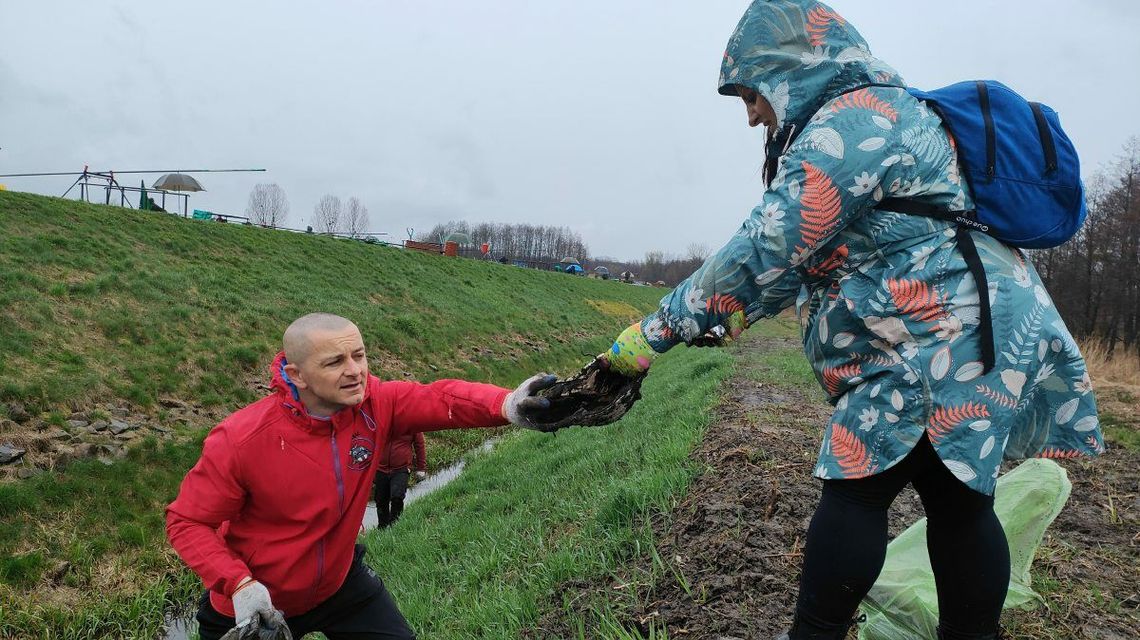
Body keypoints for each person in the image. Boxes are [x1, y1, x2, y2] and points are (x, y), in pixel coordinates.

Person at [596, 2, 1103, 639]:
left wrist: (645, 337)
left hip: (934, 339)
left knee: (858, 484)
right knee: (957, 499)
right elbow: (808, 260)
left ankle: (817, 633)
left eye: (753, 93)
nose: (752, 113)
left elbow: (770, 243)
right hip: (968, 330)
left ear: (791, 71)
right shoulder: (869, 119)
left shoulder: (862, 119)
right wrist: (731, 316)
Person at [166, 312, 556, 640]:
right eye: (335, 362)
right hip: (258, 603)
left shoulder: (375, 403)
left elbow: (439, 398)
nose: (355, 371)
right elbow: (187, 521)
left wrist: (506, 403)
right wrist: (238, 584)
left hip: (339, 585)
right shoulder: (241, 439)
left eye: (359, 355)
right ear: (296, 375)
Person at [373, 430, 427, 527]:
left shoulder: (411, 421)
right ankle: (382, 528)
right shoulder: (381, 420)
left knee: (397, 497)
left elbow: (419, 444)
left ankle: (395, 526)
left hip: (401, 468)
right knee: (381, 500)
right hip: (380, 468)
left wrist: (421, 468)